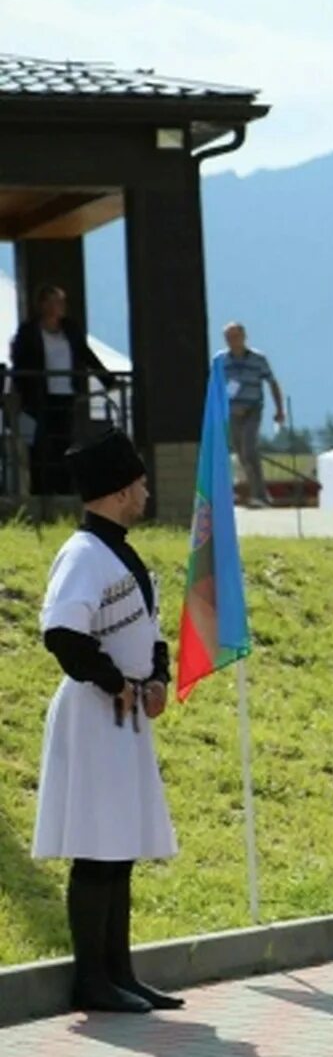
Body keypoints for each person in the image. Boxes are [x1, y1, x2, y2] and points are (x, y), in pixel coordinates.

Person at [33, 429, 181, 1012]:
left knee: (118, 847)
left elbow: (148, 627)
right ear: (120, 491)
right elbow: (62, 633)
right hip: (95, 714)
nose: (146, 490)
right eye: (140, 483)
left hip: (123, 714)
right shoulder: (83, 554)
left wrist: (157, 677)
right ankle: (91, 981)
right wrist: (115, 682)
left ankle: (121, 973)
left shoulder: (119, 550)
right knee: (97, 849)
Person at [9, 284, 107, 496]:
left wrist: (106, 378)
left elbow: (84, 353)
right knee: (42, 445)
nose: (60, 306)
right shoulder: (29, 332)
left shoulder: (69, 329)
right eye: (55, 301)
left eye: (62, 301)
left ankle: (64, 491)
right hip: (40, 397)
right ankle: (41, 492)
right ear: (43, 304)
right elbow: (20, 361)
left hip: (66, 395)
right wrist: (23, 391)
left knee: (64, 443)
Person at [221, 323, 285, 508]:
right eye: (229, 338)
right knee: (241, 452)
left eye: (235, 337)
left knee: (249, 449)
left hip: (252, 410)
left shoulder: (258, 359)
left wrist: (279, 409)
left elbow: (272, 383)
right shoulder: (223, 362)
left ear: (244, 337)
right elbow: (217, 388)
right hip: (232, 412)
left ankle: (260, 494)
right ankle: (256, 492)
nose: (232, 341)